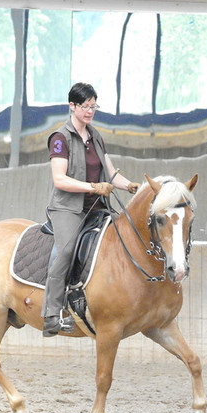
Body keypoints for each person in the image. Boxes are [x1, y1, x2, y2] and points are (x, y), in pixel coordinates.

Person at [42, 82, 139, 337]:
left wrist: (130, 186)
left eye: (94, 106)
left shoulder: (95, 136)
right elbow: (59, 179)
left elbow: (111, 172)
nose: (90, 111)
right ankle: (52, 314)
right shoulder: (60, 138)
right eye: (85, 106)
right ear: (72, 106)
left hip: (97, 207)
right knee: (65, 251)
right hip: (68, 209)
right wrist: (93, 187)